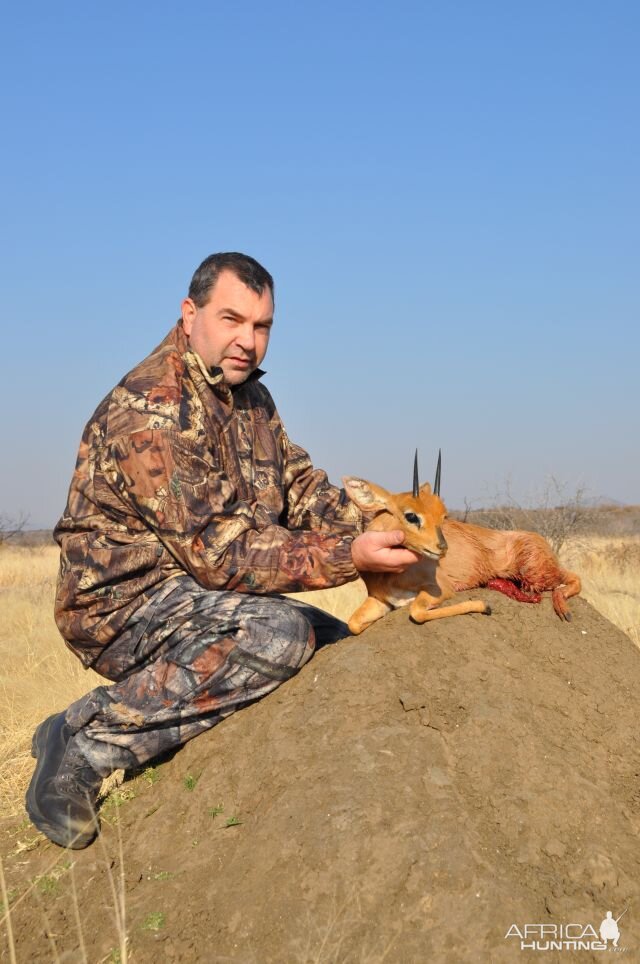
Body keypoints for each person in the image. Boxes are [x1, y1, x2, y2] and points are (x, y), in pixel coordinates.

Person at [26, 252, 420, 849]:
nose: (248, 340)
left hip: (194, 593)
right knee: (278, 635)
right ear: (190, 314)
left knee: (331, 638)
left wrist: (397, 527)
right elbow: (221, 555)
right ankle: (81, 739)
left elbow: (302, 489)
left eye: (261, 326)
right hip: (123, 606)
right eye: (232, 319)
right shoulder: (151, 409)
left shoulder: (251, 401)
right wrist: (351, 556)